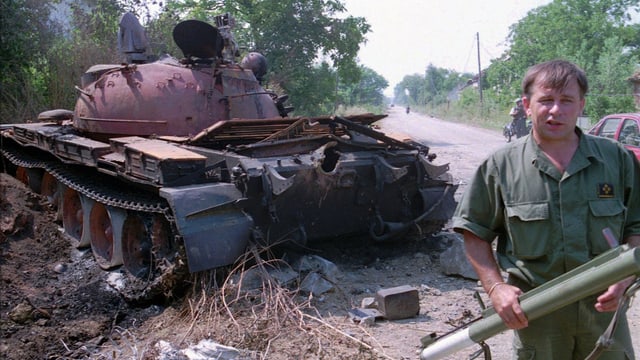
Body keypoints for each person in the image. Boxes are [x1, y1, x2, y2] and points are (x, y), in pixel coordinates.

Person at [452, 59, 640, 359]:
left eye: (566, 100)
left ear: (581, 105)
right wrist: (496, 289)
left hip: (606, 313)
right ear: (527, 105)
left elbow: (636, 227)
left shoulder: (615, 159)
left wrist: (626, 277)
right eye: (546, 100)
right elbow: (474, 232)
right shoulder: (500, 166)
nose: (556, 110)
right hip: (537, 315)